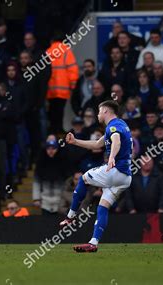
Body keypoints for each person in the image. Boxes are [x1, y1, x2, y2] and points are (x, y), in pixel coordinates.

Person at [60, 100, 133, 252]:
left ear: (106, 111)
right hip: (125, 178)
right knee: (103, 206)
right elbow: (97, 145)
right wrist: (74, 142)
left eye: (99, 111)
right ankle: (93, 243)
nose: (98, 115)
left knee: (83, 178)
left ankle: (70, 216)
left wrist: (112, 157)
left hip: (115, 170)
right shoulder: (120, 125)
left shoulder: (113, 126)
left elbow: (116, 141)